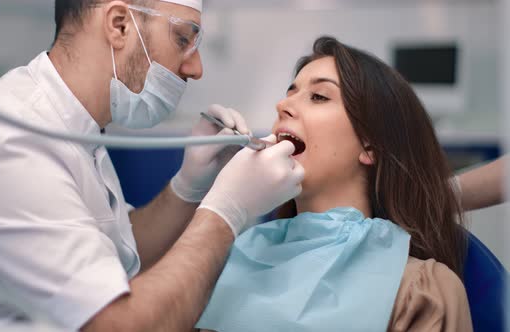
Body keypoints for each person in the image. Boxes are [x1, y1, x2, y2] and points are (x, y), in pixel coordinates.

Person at [0, 1, 305, 331]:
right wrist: (227, 212)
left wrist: (189, 188)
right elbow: (118, 325)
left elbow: (115, 254)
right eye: (183, 40)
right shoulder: (12, 143)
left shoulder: (75, 123)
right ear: (120, 25)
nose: (196, 68)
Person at [196, 37, 473, 332]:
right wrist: (196, 192)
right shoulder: (228, 263)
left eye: (319, 96)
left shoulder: (418, 291)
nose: (282, 105)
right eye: (290, 92)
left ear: (370, 145)